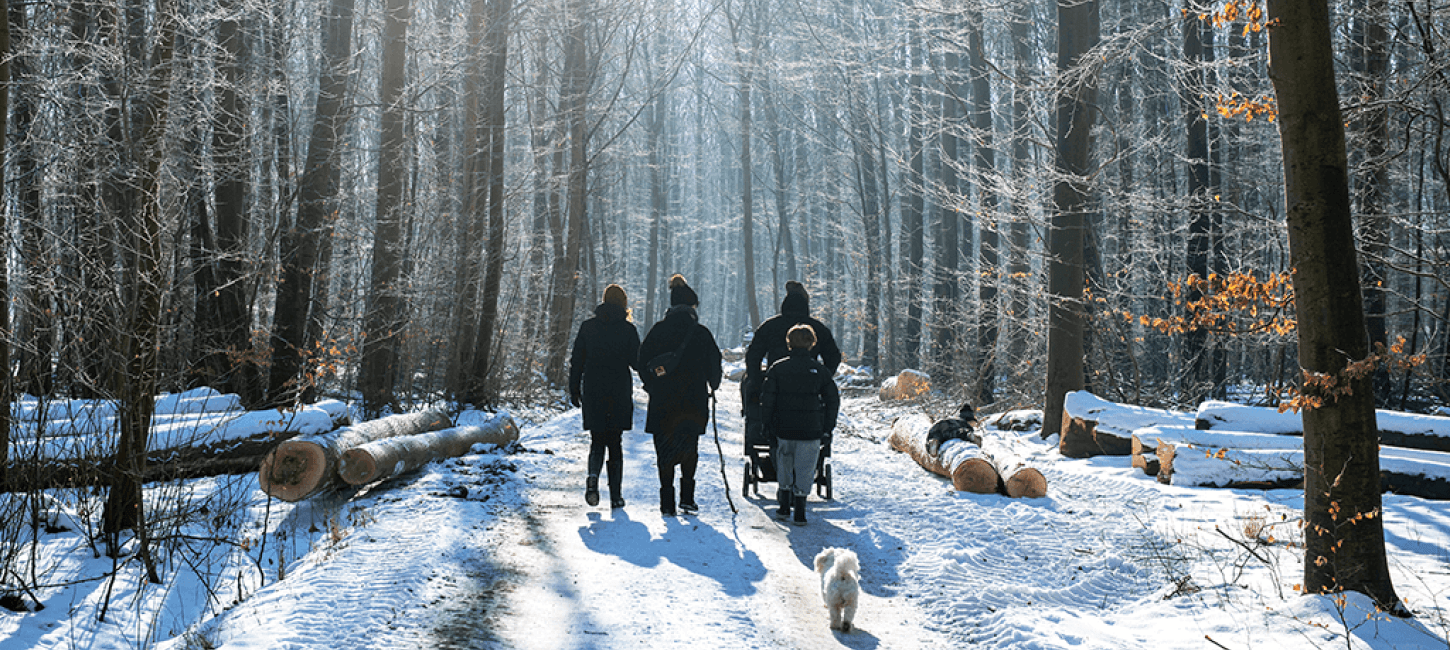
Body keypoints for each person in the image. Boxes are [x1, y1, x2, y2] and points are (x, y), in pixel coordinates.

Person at [637, 274, 722, 516]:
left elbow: (641, 361)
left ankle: (666, 500)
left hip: (663, 401)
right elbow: (714, 367)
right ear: (692, 307)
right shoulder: (701, 333)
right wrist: (713, 385)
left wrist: (651, 385)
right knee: (689, 448)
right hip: (693, 402)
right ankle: (687, 498)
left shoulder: (658, 330)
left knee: (664, 450)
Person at [742, 281, 841, 457]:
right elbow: (833, 356)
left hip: (776, 380)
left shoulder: (770, 326)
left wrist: (758, 381)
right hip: (809, 383)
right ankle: (823, 433)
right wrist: (822, 377)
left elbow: (753, 355)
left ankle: (756, 429)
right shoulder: (818, 328)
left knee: (747, 385)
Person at [569, 284, 642, 508]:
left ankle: (592, 480)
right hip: (618, 390)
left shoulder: (587, 327)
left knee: (597, 440)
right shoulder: (628, 330)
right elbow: (637, 363)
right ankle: (616, 495)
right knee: (615, 442)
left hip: (593, 389)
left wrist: (574, 388)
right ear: (623, 303)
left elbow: (577, 361)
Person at [760, 324, 839, 526]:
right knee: (805, 467)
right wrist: (827, 426)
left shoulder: (778, 368)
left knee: (784, 462)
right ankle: (801, 510)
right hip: (811, 428)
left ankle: (784, 505)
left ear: (789, 343)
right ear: (812, 344)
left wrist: (766, 423)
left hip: (784, 426)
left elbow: (767, 399)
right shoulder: (820, 371)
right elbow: (832, 399)